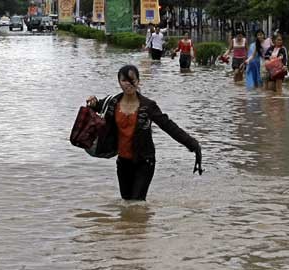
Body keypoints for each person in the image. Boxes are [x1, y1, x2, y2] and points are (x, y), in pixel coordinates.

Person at [85, 65, 203, 201]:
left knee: (137, 202)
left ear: (138, 81)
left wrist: (193, 145)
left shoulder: (148, 106)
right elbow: (95, 108)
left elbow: (169, 126)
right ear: (119, 82)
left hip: (145, 161)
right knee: (127, 202)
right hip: (123, 162)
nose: (128, 83)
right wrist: (92, 103)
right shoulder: (112, 103)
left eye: (132, 79)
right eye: (124, 80)